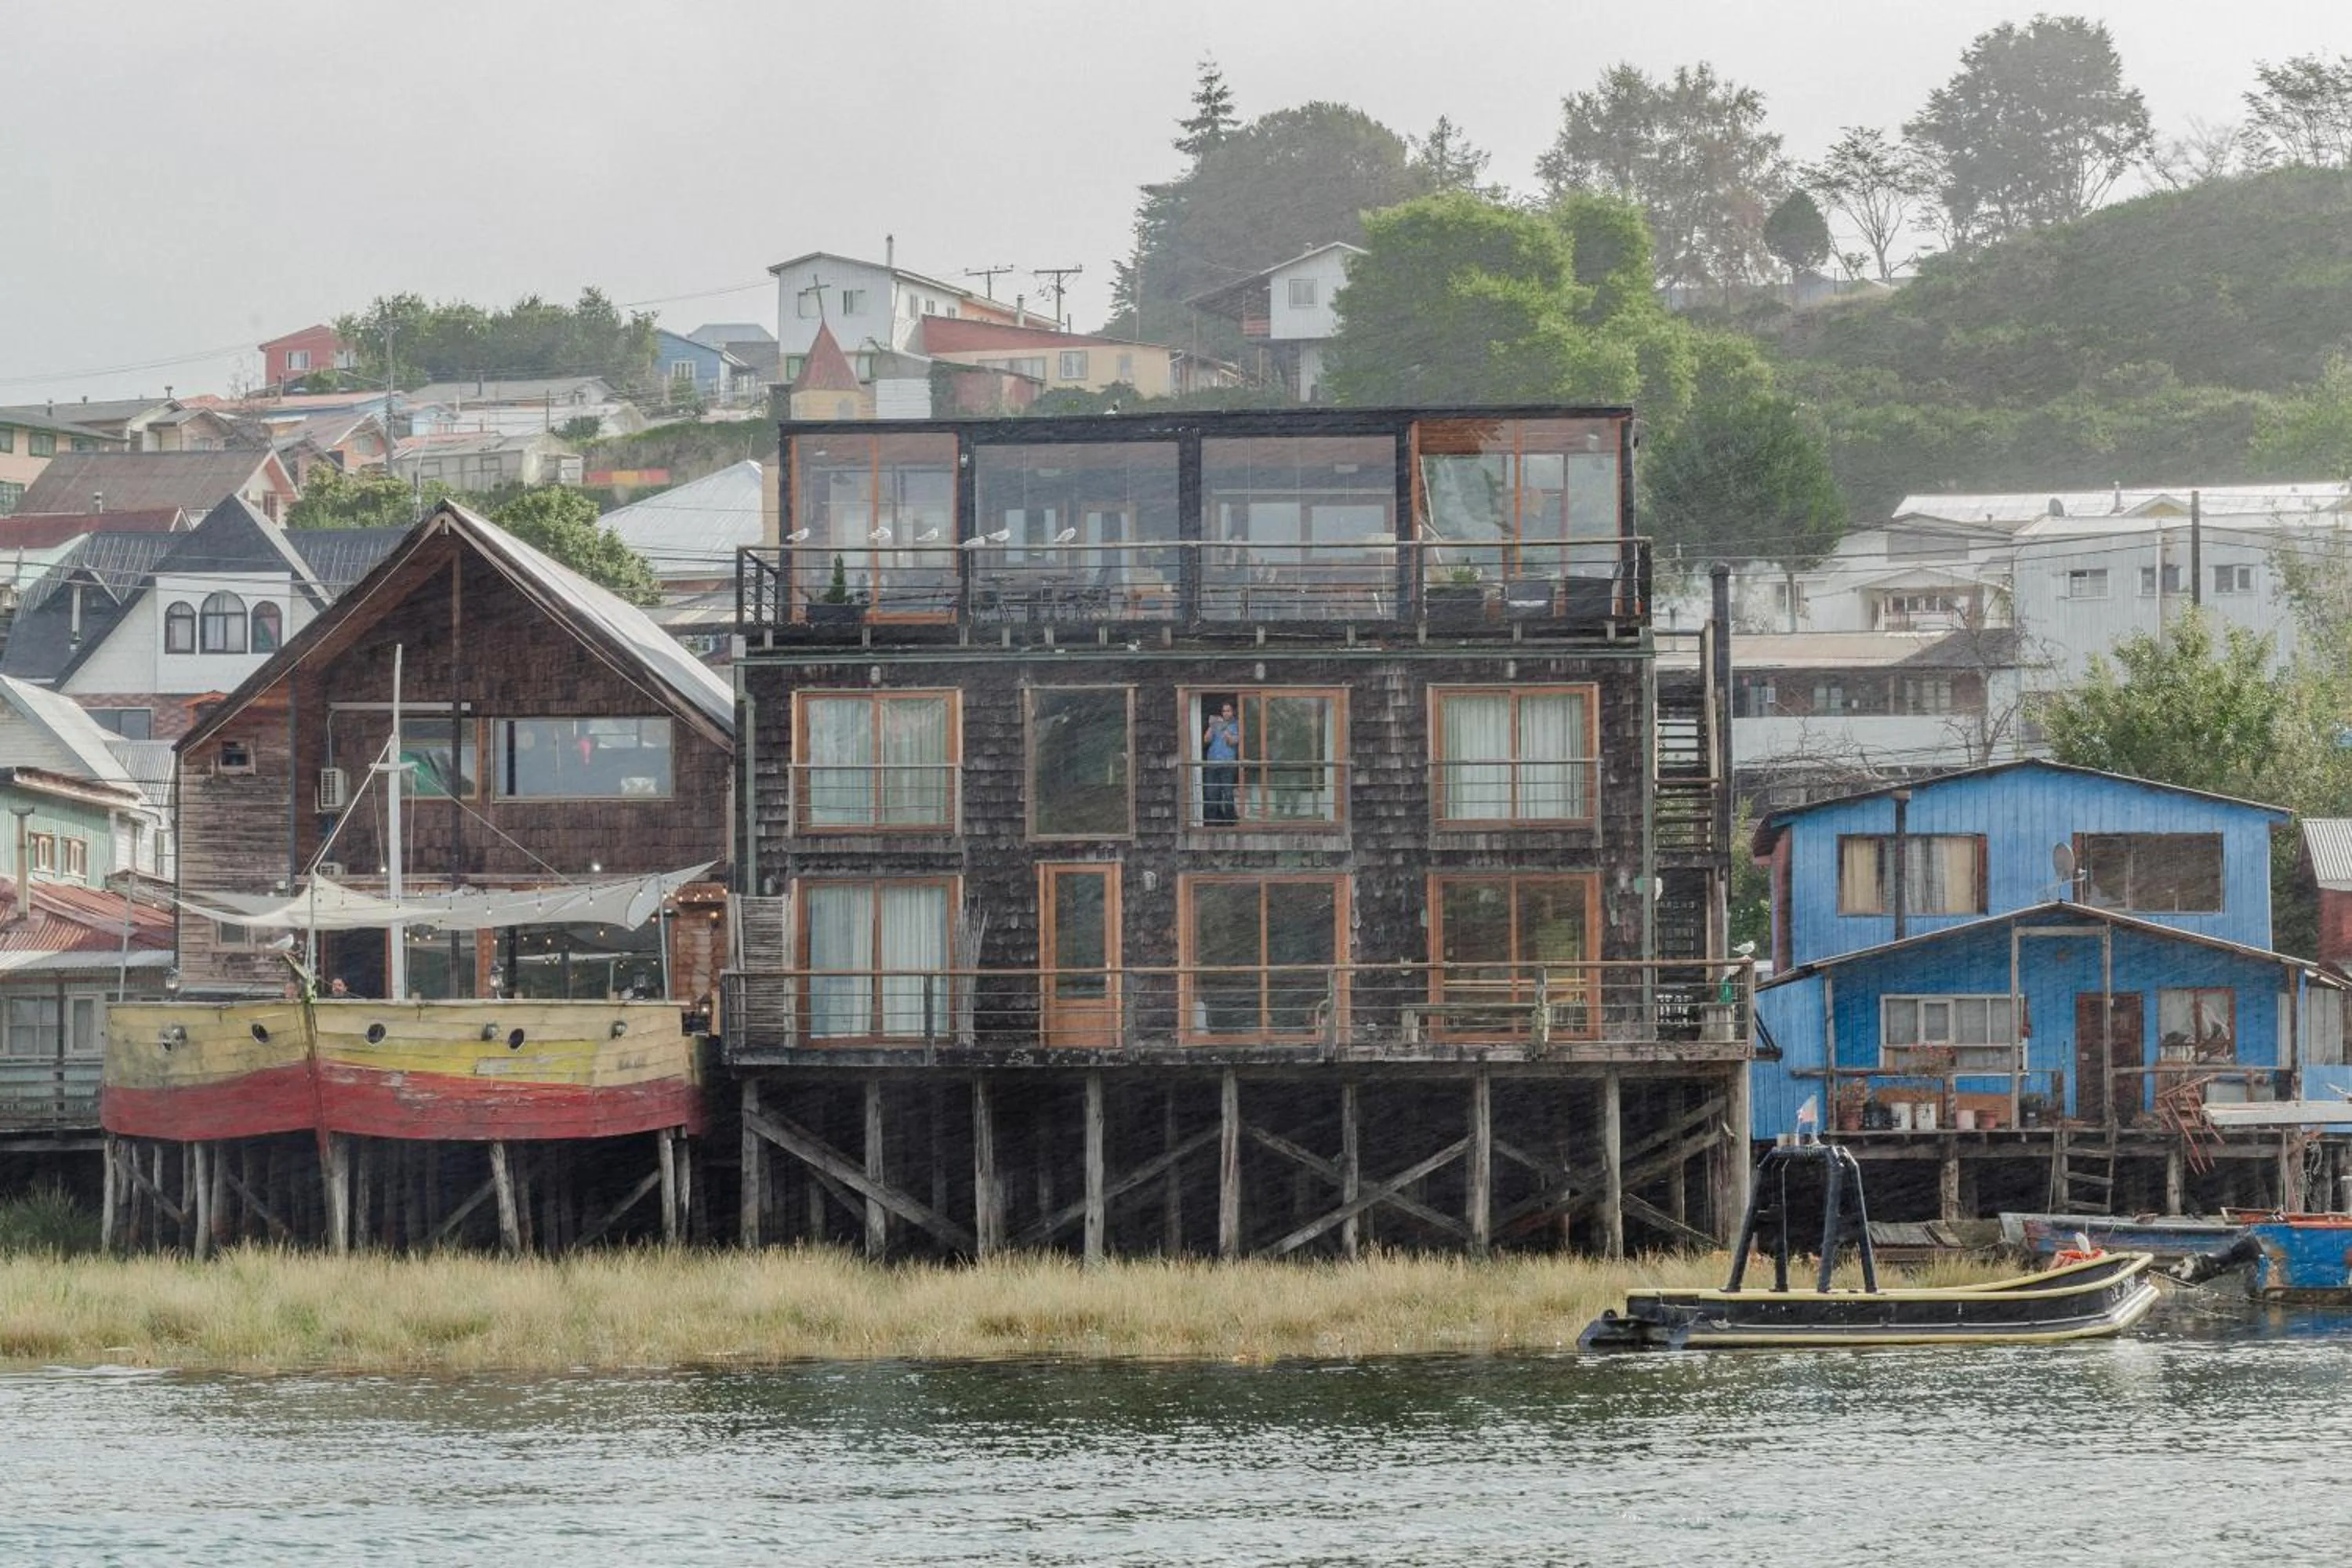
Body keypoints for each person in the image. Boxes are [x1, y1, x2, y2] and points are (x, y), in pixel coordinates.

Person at [1202, 701, 1240, 825]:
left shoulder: (1236, 725)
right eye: (1224, 711)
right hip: (1212, 764)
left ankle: (1230, 822)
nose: (1226, 713)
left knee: (1228, 794)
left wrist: (1226, 731)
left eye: (1228, 710)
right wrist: (1211, 726)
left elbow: (1233, 742)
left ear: (1232, 712)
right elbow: (1206, 740)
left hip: (1227, 764)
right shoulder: (1216, 725)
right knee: (1212, 794)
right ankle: (1212, 822)